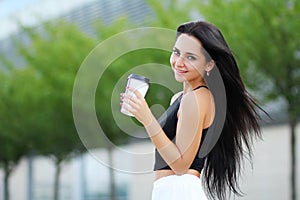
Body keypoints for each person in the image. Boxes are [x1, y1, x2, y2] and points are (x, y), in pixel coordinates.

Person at [121, 21, 262, 200]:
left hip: (179, 190)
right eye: (176, 52)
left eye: (190, 57)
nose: (178, 62)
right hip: (171, 190)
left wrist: (147, 118)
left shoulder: (196, 99)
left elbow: (181, 165)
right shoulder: (181, 98)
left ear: (209, 64)